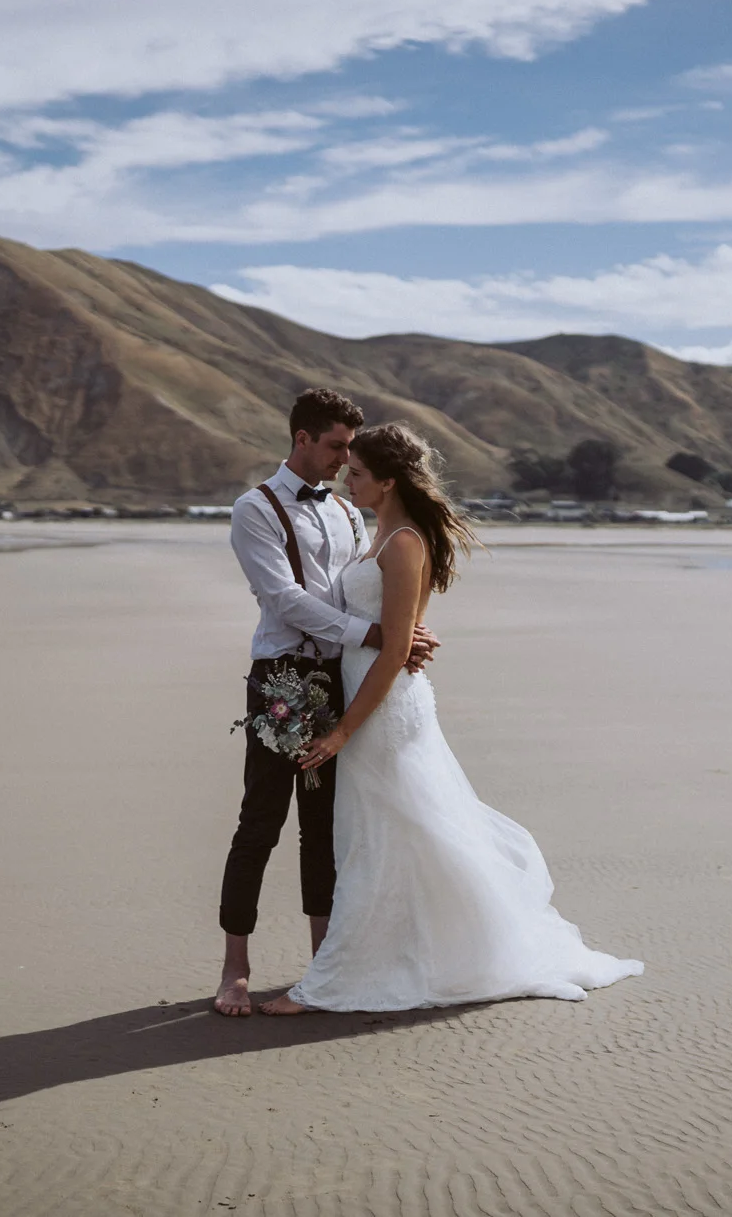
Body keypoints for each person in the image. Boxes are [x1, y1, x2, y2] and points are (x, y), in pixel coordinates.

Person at [260, 422, 642, 1014]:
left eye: (357, 474)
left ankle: (336, 982)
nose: (346, 479)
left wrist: (342, 730)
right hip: (374, 695)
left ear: (387, 482)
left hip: (384, 708)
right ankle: (402, 957)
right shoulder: (381, 529)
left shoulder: (405, 541)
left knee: (379, 841)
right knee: (391, 836)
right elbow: (398, 632)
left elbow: (392, 650)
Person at [216, 389, 440, 1017]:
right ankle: (235, 969)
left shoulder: (347, 512)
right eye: (337, 445)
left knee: (324, 832)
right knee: (259, 822)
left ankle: (321, 970)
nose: (345, 460)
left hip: (340, 678)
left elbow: (363, 593)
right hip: (280, 677)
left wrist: (403, 636)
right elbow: (283, 598)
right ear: (302, 439)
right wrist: (377, 637)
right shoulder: (252, 509)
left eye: (351, 449)